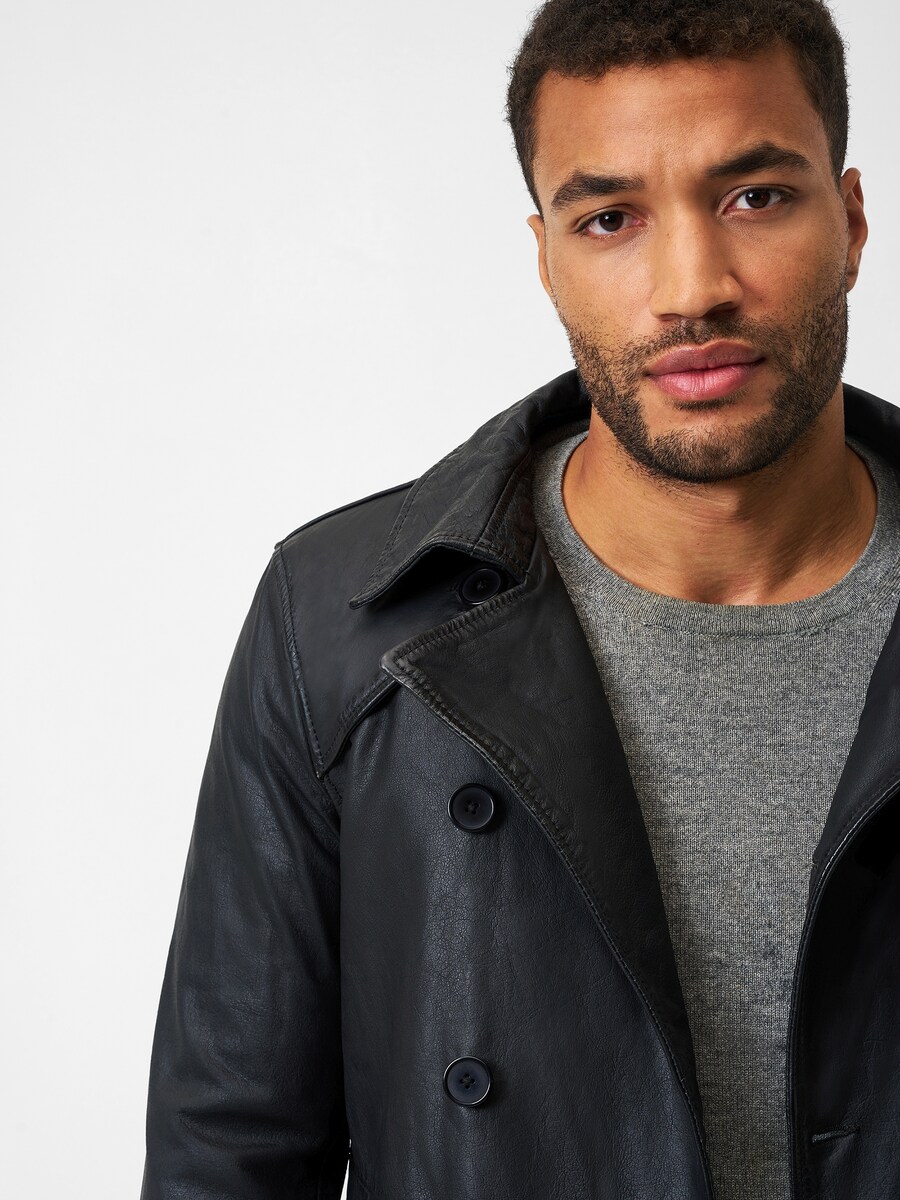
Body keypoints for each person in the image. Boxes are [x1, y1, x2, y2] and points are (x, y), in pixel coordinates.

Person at [139, 1, 900, 1198]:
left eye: (756, 197)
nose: (691, 288)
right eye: (611, 219)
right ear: (547, 257)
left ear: (849, 222)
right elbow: (228, 1153)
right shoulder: (341, 618)